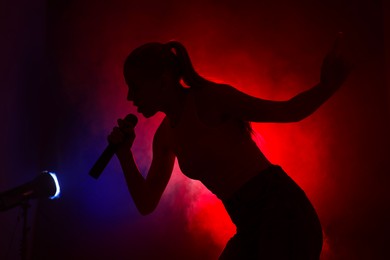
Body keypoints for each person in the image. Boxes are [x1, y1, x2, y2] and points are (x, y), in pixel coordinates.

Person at [108, 34, 349, 259]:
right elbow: (146, 202)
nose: (130, 97)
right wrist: (124, 154)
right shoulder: (164, 137)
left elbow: (288, 111)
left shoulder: (210, 99)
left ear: (161, 80)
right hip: (250, 224)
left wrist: (326, 86)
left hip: (284, 212)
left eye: (135, 86)